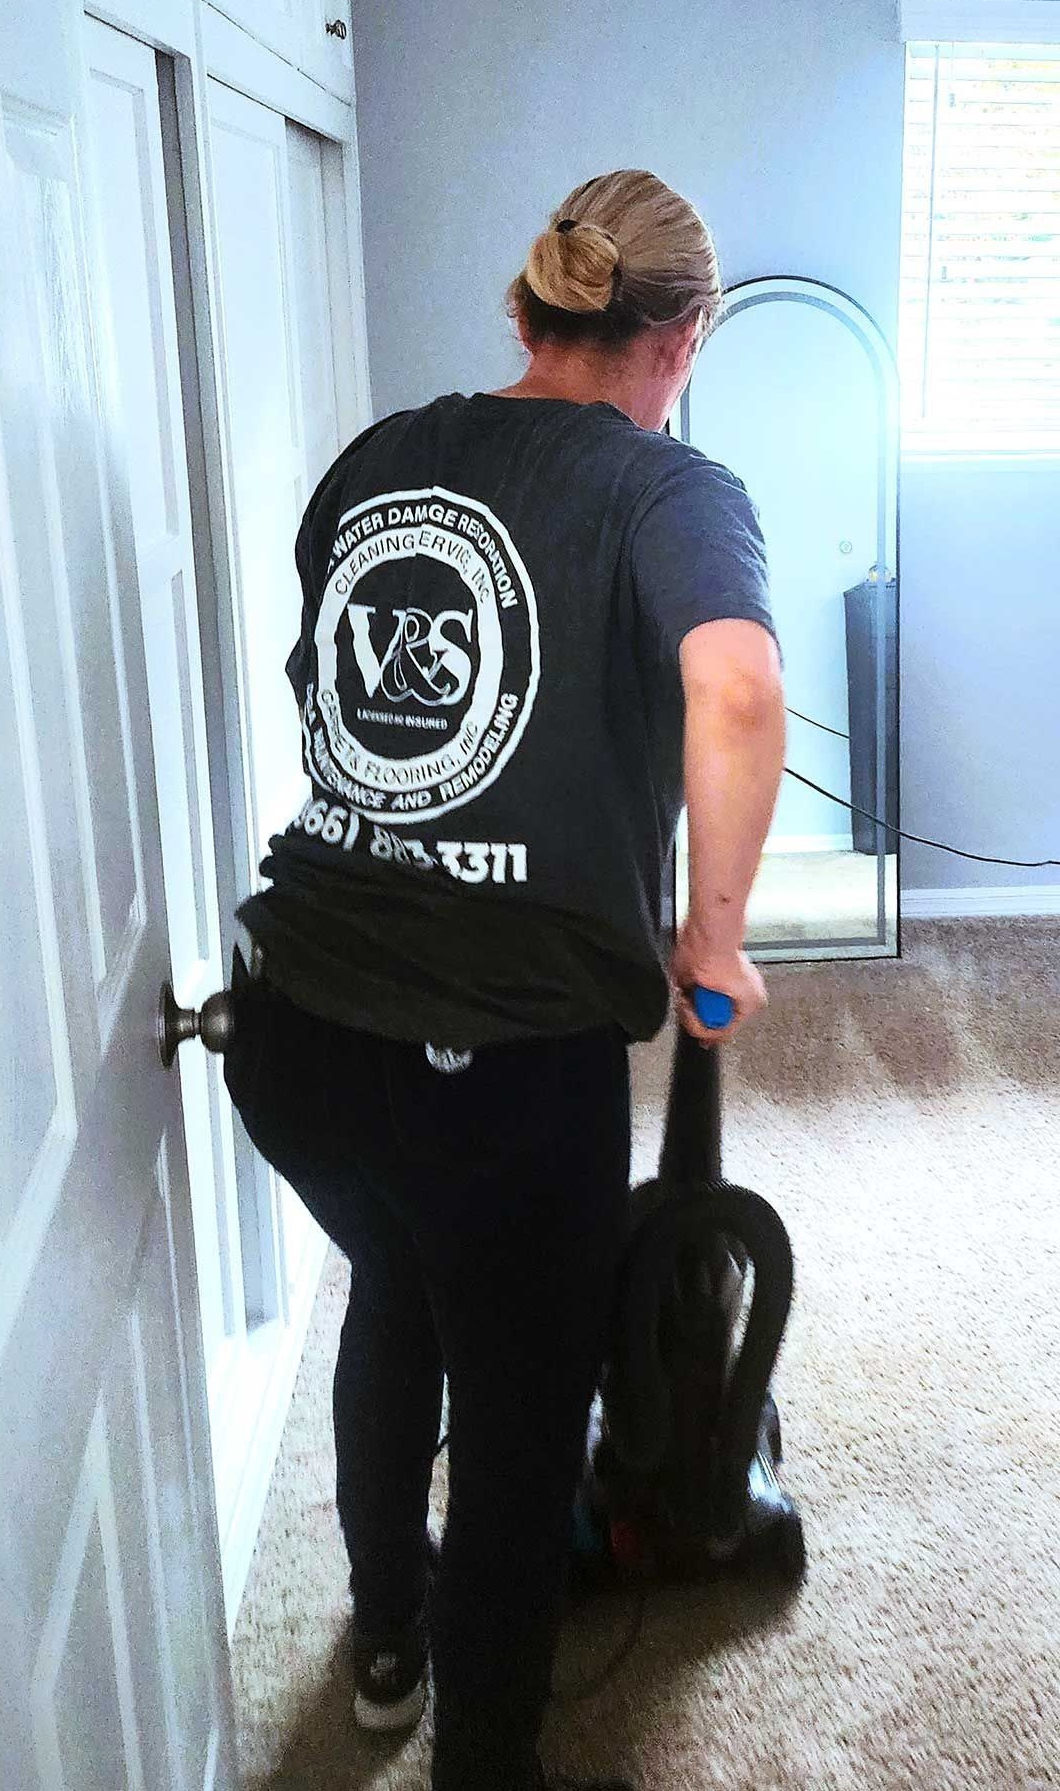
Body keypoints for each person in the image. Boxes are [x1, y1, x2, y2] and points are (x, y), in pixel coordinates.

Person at [226, 170, 784, 1791]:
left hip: (291, 1025)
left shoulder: (375, 461)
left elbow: (373, 725)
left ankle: (388, 1638)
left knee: (397, 1289)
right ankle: (485, 1755)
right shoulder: (667, 485)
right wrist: (715, 933)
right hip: (487, 1068)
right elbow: (736, 688)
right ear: (682, 337)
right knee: (529, 1414)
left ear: (530, 311)